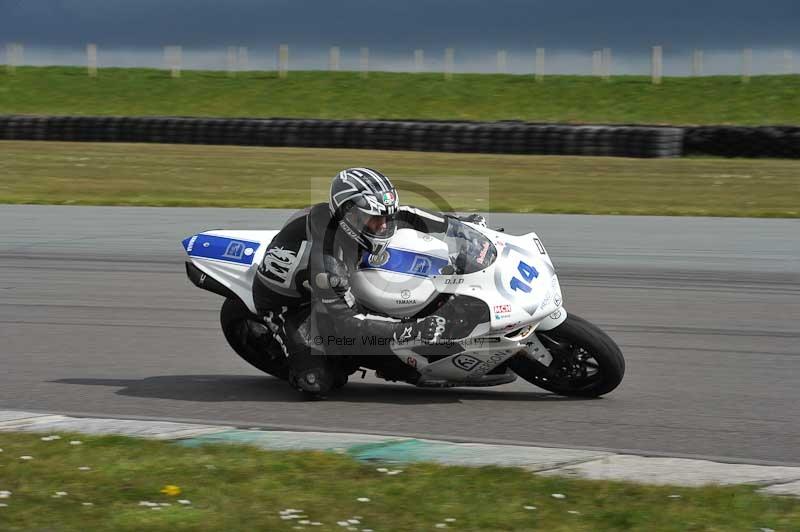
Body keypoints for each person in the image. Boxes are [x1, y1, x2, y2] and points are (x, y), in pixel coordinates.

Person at [252, 167, 486, 396]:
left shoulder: (360, 221)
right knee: (317, 382)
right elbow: (349, 324)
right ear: (349, 214)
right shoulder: (328, 264)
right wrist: (412, 330)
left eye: (386, 216)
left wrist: (461, 227)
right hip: (289, 304)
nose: (384, 225)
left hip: (330, 283)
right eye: (376, 219)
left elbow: (408, 213)